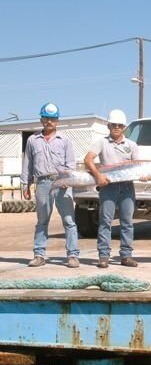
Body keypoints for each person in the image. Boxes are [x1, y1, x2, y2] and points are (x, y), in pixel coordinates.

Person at [20, 103, 80, 268]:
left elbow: (71, 164)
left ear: (57, 121)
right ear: (41, 119)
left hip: (62, 183)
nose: (49, 121)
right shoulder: (32, 140)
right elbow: (28, 164)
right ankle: (39, 255)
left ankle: (73, 255)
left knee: (69, 220)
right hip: (43, 183)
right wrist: (25, 185)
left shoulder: (65, 140)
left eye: (52, 119)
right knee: (42, 220)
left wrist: (66, 180)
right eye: (46, 118)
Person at [84, 109, 139, 268]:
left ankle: (126, 255)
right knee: (105, 221)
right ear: (108, 126)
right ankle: (103, 255)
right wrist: (98, 176)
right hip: (108, 187)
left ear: (124, 127)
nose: (116, 128)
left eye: (120, 125)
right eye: (113, 125)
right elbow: (88, 159)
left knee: (127, 222)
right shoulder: (101, 142)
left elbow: (137, 165)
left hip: (127, 187)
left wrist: (142, 174)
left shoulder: (131, 145)